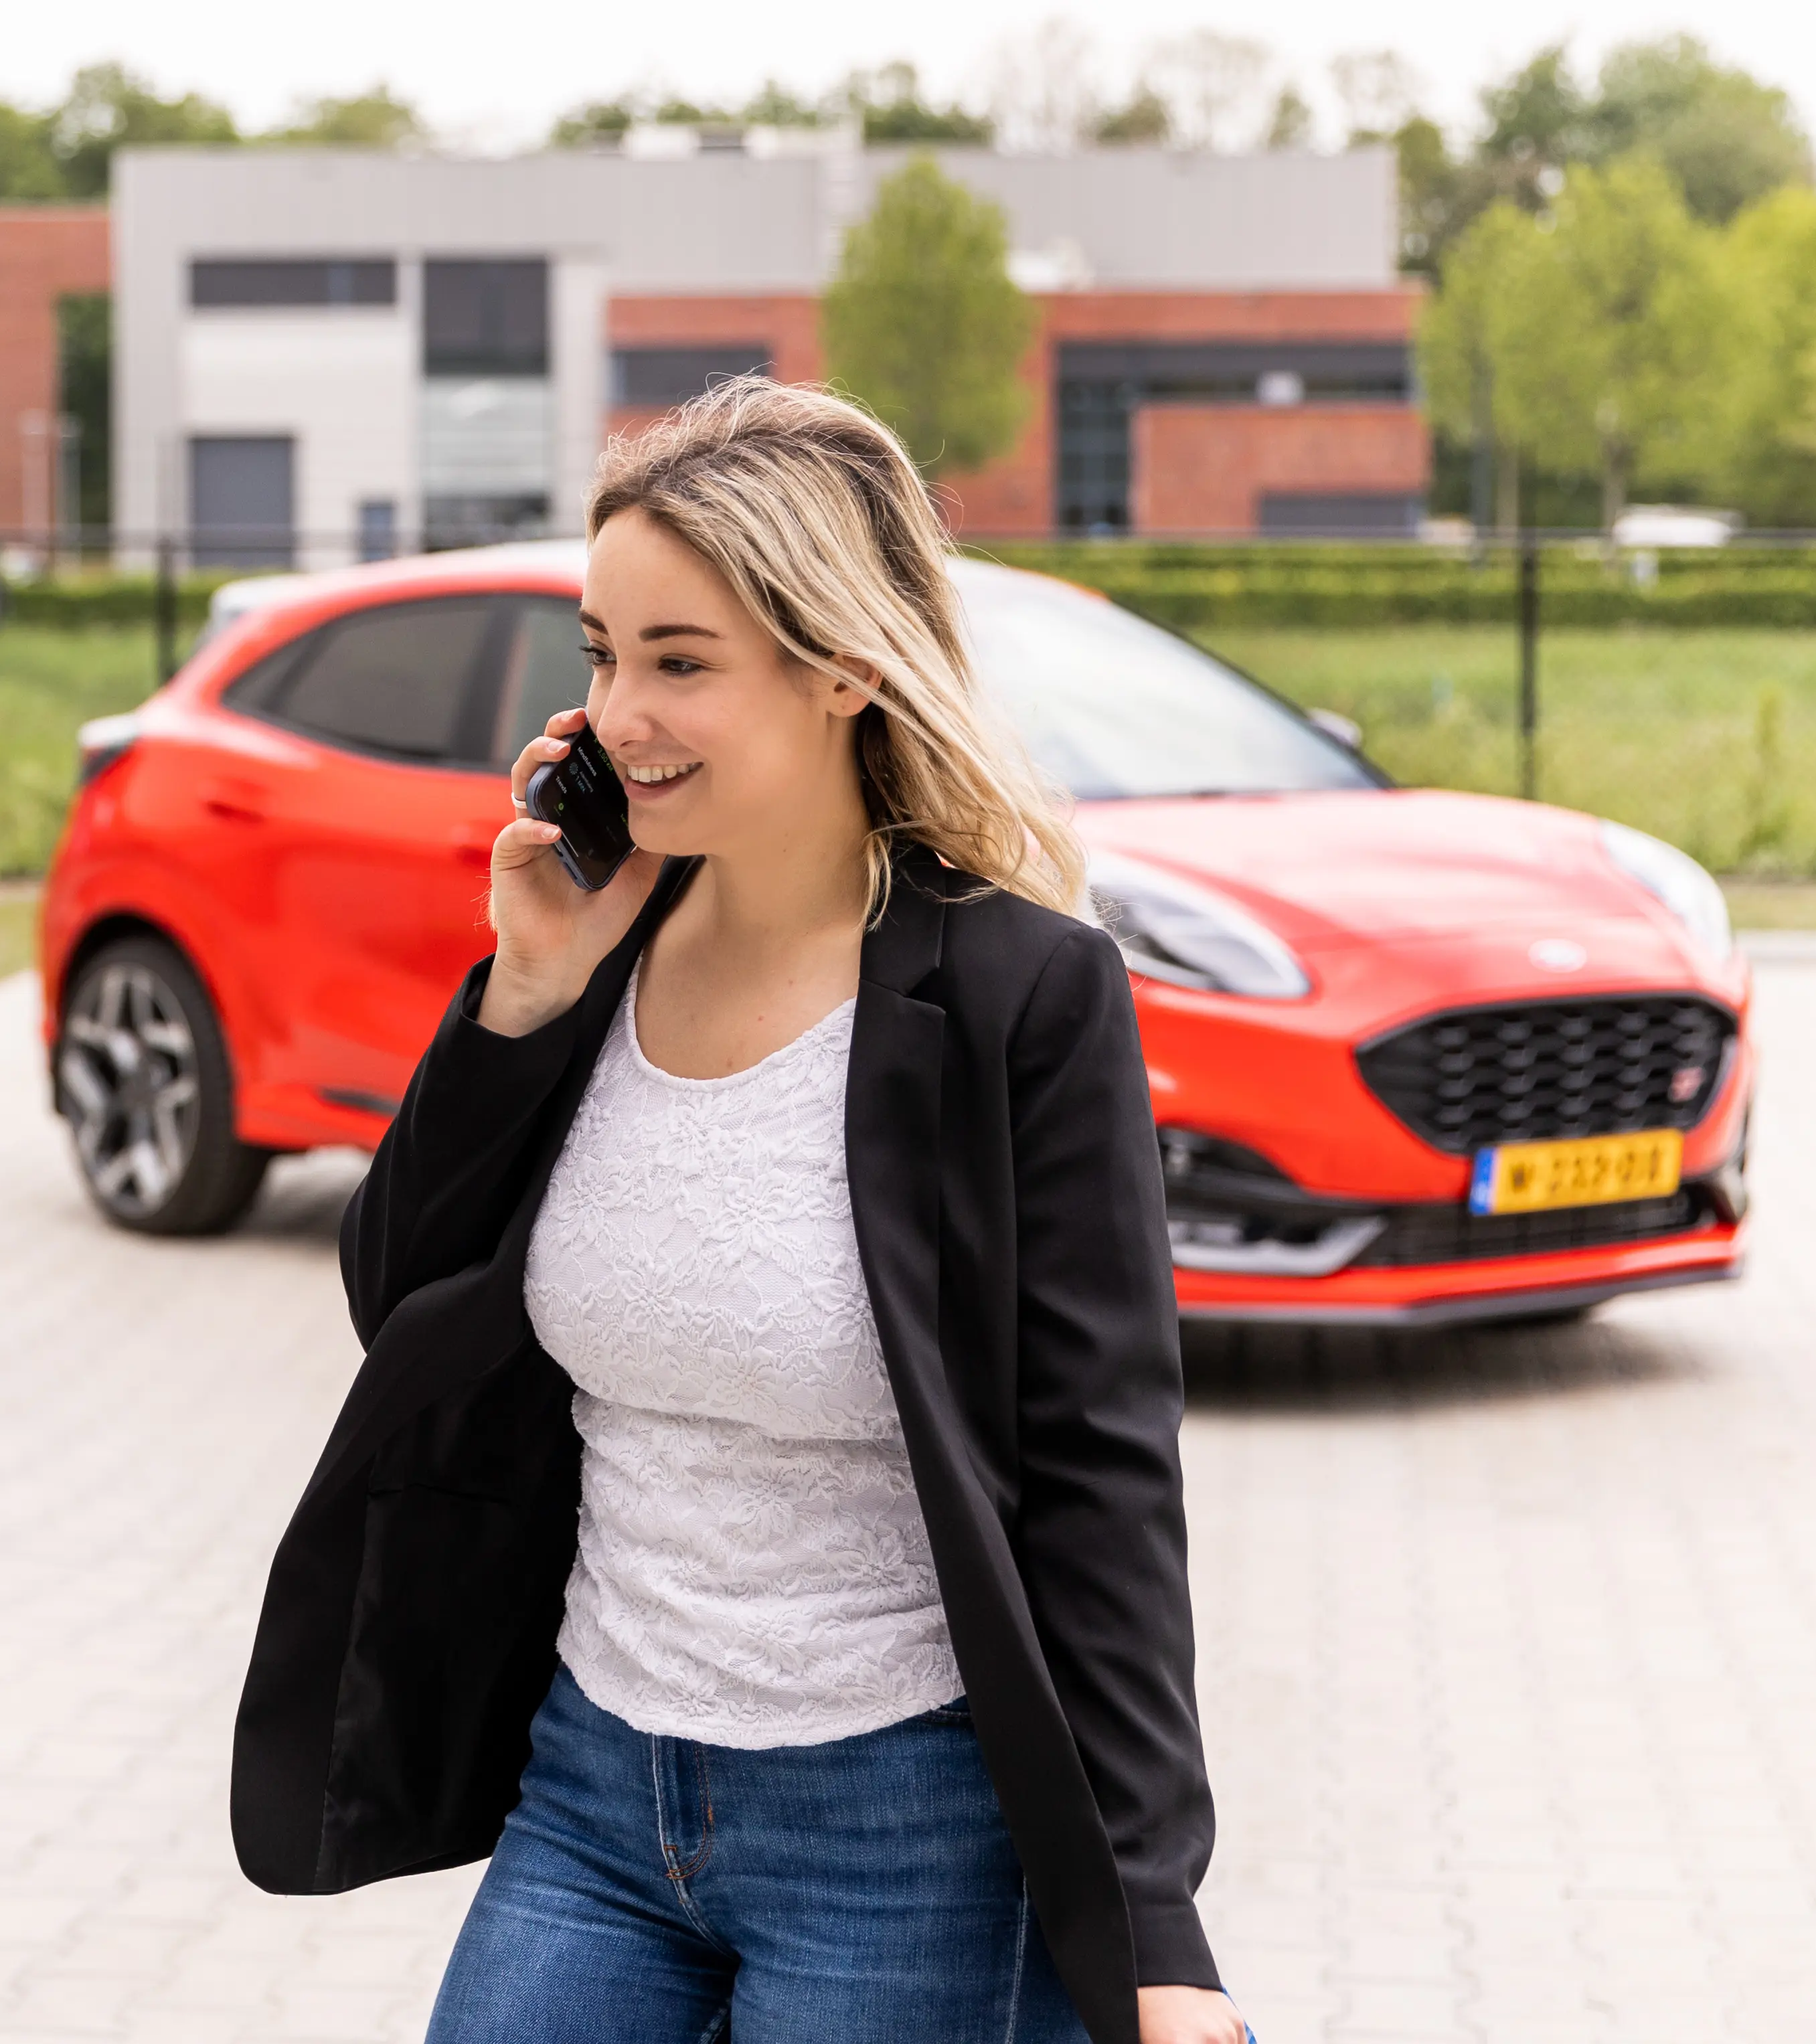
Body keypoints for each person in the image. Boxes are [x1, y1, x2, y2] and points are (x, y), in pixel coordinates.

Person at [230, 377, 1240, 2044]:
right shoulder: (594, 941)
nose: (619, 714)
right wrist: (523, 997)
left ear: (843, 664)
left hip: (910, 1828)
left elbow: (1099, 1468)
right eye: (601, 655)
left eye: (680, 661)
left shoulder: (1018, 993)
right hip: (596, 1787)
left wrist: (1155, 1928)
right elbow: (396, 1298)